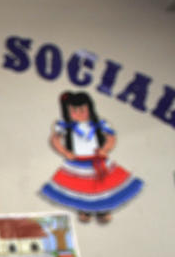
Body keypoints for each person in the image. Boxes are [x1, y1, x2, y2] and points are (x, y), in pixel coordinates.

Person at [41, 91, 143, 224]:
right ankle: (85, 210)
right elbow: (55, 139)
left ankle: (103, 210)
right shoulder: (66, 126)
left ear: (89, 108)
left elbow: (111, 137)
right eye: (74, 110)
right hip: (78, 162)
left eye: (82, 110)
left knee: (103, 186)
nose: (78, 113)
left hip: (97, 160)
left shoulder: (98, 124)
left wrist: (105, 149)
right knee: (82, 187)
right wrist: (66, 152)